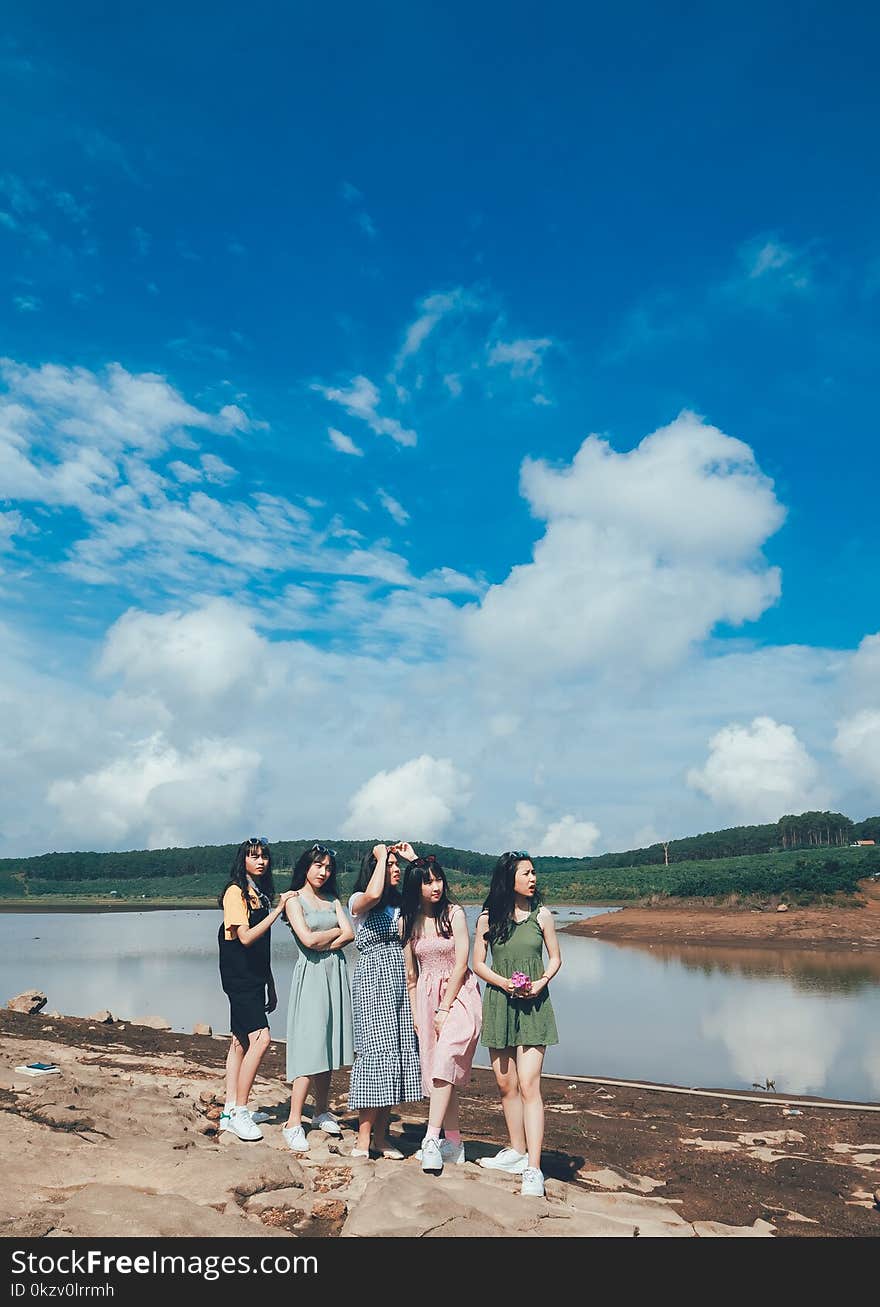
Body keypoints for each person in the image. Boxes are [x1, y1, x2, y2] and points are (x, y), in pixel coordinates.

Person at [472, 851, 561, 1197]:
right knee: (506, 1086)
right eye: (526, 873)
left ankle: (534, 1169)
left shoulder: (543, 916)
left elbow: (555, 957)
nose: (533, 878)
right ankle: (516, 1151)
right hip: (499, 1003)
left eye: (534, 873)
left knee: (529, 1084)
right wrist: (503, 983)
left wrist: (542, 981)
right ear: (509, 878)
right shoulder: (487, 919)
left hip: (534, 1005)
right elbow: (478, 964)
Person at [401, 855, 482, 1174]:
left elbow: (462, 962)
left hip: (459, 994)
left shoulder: (455, 913)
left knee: (446, 1060)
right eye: (427, 881)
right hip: (425, 997)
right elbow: (411, 976)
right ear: (416, 886)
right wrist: (417, 1016)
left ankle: (431, 1140)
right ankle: (454, 1142)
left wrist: (444, 1008)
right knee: (440, 1072)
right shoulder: (409, 921)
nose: (436, 886)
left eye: (438, 880)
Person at [347, 842, 422, 1158]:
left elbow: (433, 888)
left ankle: (382, 1137)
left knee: (396, 1053)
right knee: (375, 1052)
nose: (394, 869)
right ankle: (363, 1140)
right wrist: (380, 855)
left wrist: (414, 860)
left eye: (395, 866)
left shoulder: (403, 905)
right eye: (388, 865)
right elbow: (373, 895)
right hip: (372, 980)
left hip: (400, 984)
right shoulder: (358, 901)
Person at [217, 837, 293, 1141]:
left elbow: (263, 946)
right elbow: (246, 938)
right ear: (243, 860)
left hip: (254, 976)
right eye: (254, 857)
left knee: (239, 1041)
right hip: (239, 977)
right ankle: (240, 1110)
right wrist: (279, 910)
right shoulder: (235, 893)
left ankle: (228, 1109)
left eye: (264, 857)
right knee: (261, 1039)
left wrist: (271, 983)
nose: (260, 862)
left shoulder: (259, 893)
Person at [281, 842, 354, 1152]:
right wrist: (331, 937)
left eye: (328, 867)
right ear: (306, 867)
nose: (324, 872)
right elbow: (308, 940)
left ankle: (321, 1110)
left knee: (329, 1042)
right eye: (318, 866)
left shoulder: (333, 899)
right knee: (310, 1045)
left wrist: (326, 940)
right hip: (311, 976)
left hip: (335, 974)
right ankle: (293, 1121)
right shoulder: (294, 900)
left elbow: (350, 933)